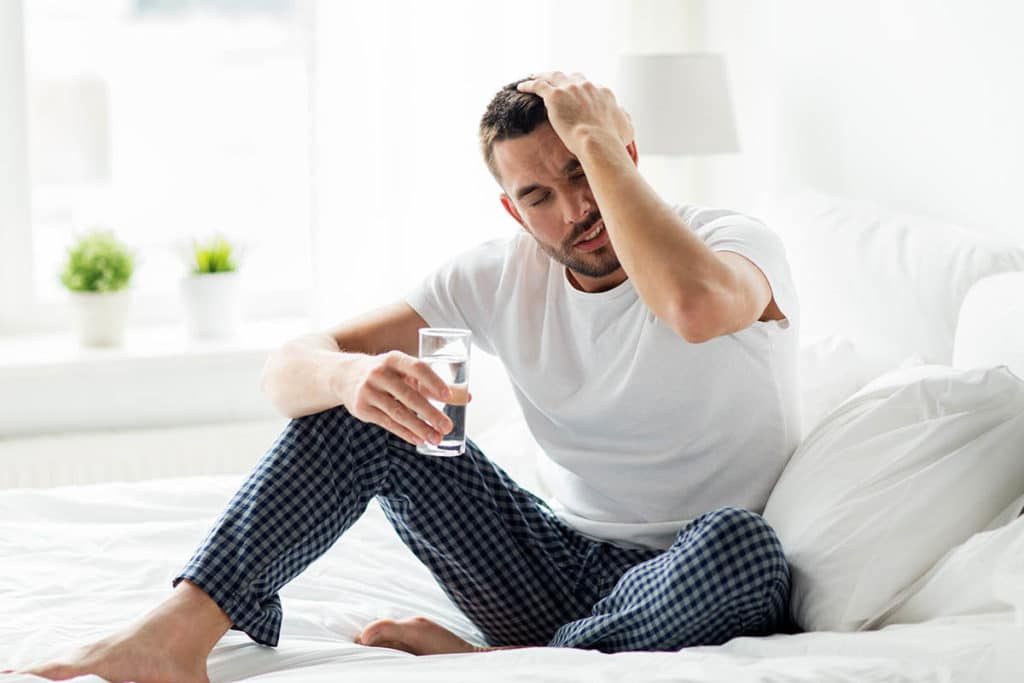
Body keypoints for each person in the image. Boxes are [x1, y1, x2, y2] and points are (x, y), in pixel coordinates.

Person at [16, 71, 799, 683]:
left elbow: (693, 306)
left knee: (746, 546)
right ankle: (175, 632)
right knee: (364, 403)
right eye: (539, 195)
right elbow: (286, 369)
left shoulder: (730, 241)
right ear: (513, 211)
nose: (573, 209)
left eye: (582, 171)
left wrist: (594, 136)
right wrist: (353, 375)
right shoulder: (496, 276)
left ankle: (505, 662)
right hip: (553, 563)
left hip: (696, 583)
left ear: (625, 156)